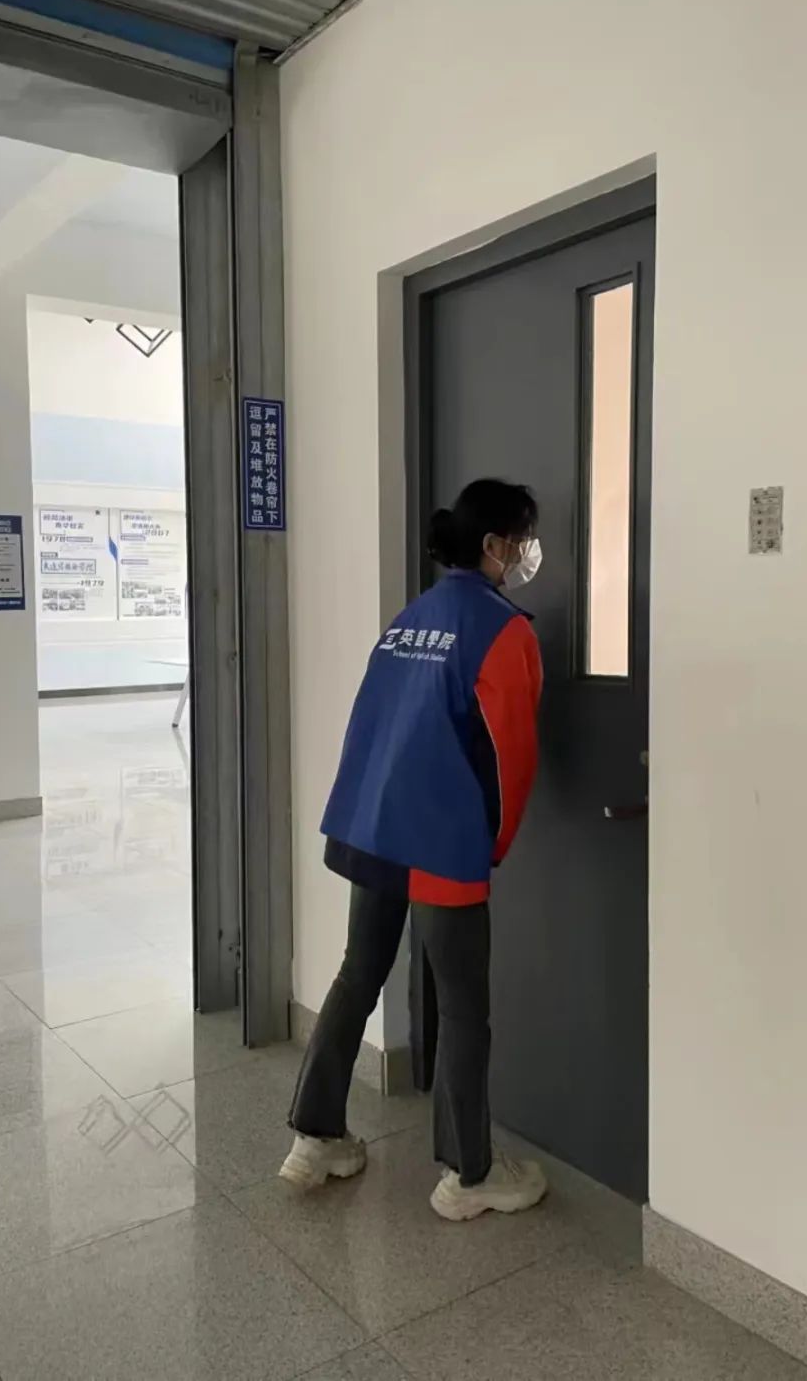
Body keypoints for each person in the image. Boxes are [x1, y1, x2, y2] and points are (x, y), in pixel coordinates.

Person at [281, 478, 548, 1221]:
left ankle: (314, 1137)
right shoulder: (504, 630)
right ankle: (470, 1175)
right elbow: (513, 759)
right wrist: (492, 844)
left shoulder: (410, 619)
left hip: (373, 826)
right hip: (440, 841)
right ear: (493, 546)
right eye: (523, 539)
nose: (528, 552)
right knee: (462, 1007)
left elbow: (372, 720)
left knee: (356, 974)